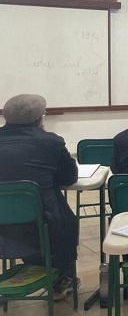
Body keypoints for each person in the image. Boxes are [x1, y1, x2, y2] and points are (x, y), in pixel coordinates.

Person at [0, 94, 79, 299]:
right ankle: (63, 278)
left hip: (3, 227)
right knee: (65, 217)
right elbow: (69, 177)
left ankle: (31, 268)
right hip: (44, 224)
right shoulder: (50, 142)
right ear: (40, 119)